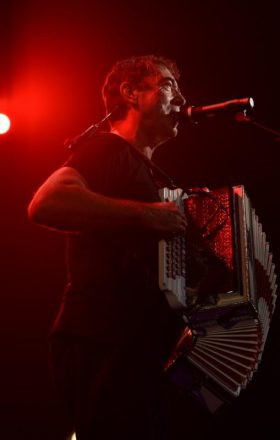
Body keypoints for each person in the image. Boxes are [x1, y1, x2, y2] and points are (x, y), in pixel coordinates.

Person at [28, 55, 191, 439]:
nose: (182, 99)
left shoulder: (144, 171)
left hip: (132, 348)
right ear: (130, 94)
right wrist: (147, 216)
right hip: (99, 340)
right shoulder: (108, 149)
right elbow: (46, 202)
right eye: (168, 86)